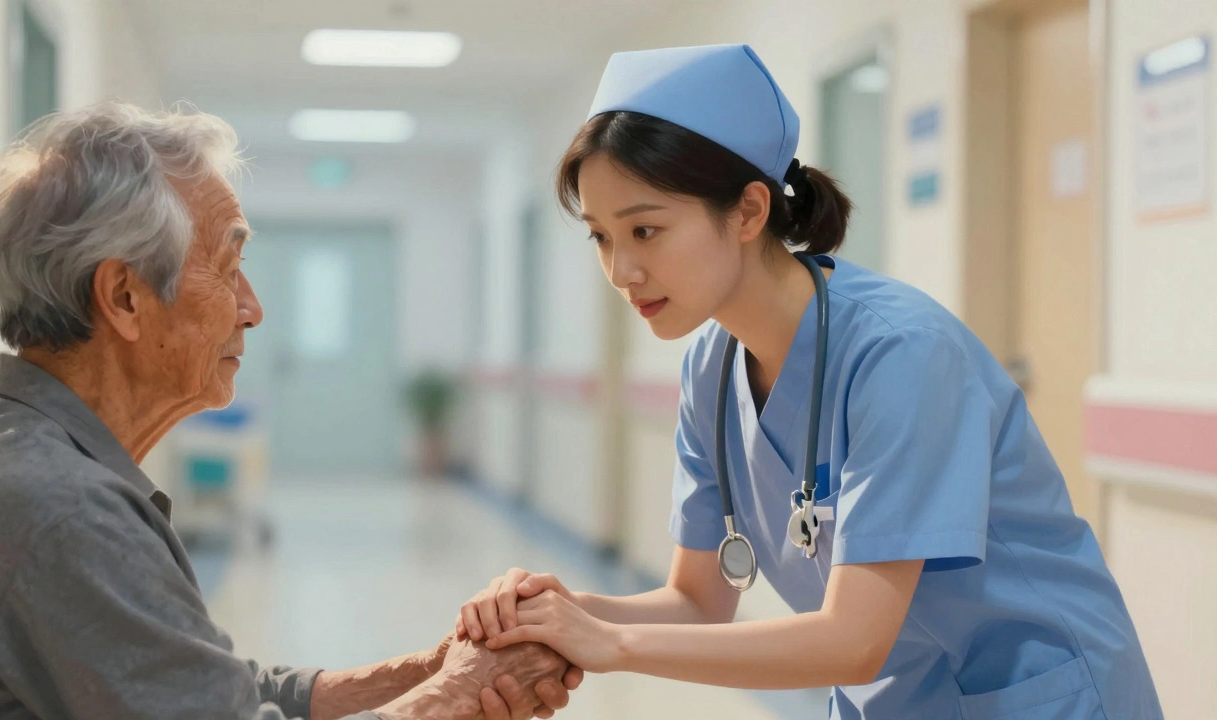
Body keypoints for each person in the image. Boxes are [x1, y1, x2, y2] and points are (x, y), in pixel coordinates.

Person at [456, 44, 1163, 719]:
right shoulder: (713, 368)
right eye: (601, 236)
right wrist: (559, 612)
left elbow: (853, 641)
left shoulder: (900, 354)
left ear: (749, 210)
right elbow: (697, 602)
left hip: (1041, 697)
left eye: (645, 231)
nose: (621, 271)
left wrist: (611, 645)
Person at [0, 102, 581, 720]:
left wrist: (430, 673)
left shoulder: (13, 449)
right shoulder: (62, 512)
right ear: (125, 296)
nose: (252, 308)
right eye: (228, 268)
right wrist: (457, 696)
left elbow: (192, 684)